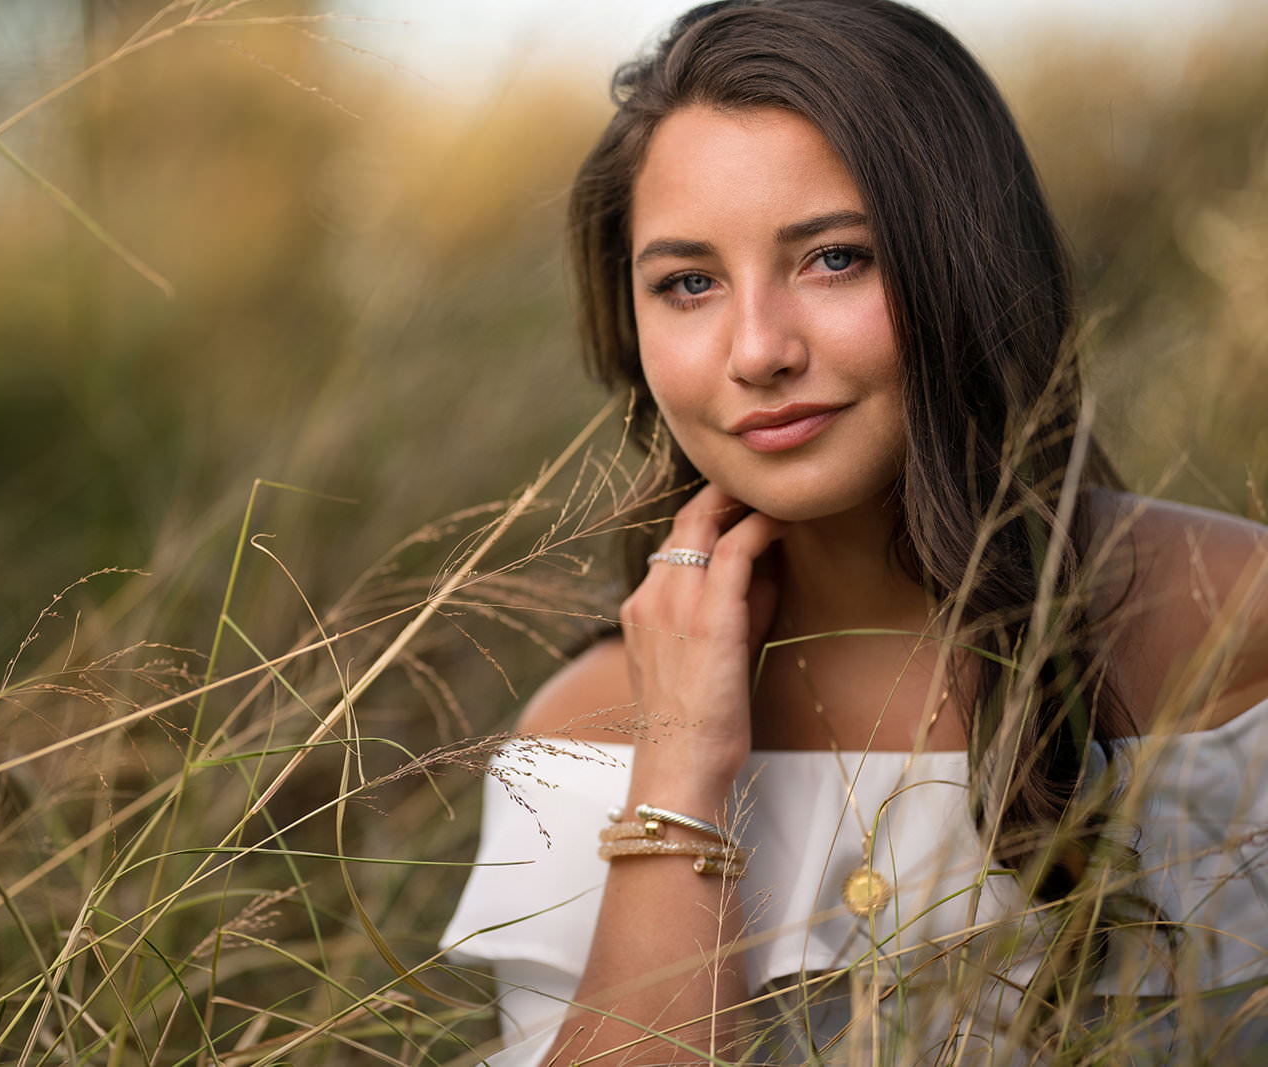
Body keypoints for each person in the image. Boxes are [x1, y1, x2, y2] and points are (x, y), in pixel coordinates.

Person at [440, 1, 1268, 1063]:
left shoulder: (1234, 621)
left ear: (965, 262)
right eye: (687, 282)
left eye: (833, 258)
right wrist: (681, 773)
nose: (756, 349)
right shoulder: (588, 729)